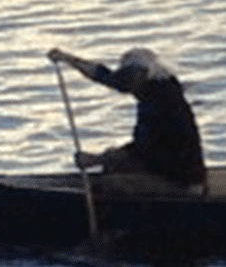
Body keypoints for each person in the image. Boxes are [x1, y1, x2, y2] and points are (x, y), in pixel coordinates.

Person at [47, 47, 205, 188]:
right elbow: (105, 76)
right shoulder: (154, 88)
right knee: (112, 163)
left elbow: (144, 151)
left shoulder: (162, 103)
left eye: (131, 78)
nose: (126, 84)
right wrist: (67, 58)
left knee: (109, 183)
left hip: (181, 180)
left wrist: (97, 159)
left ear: (144, 75)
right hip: (166, 168)